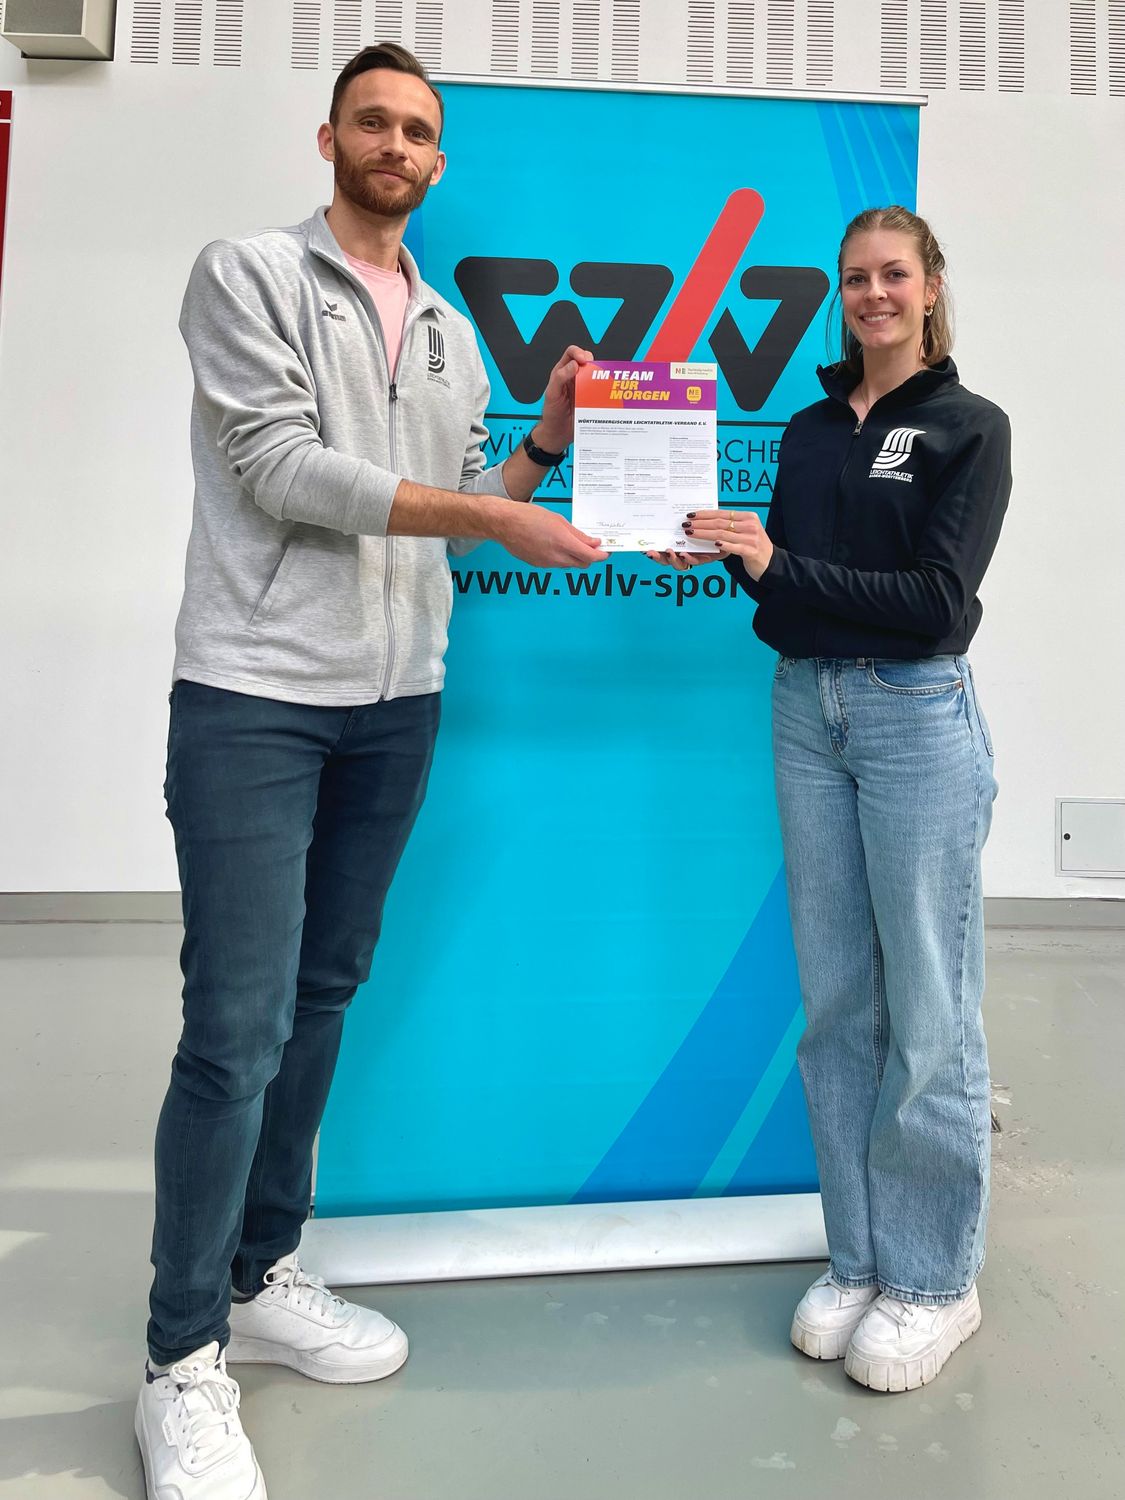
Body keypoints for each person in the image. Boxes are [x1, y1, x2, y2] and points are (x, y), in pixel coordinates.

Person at [135, 42, 606, 1500]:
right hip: (256, 697)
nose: (396, 145)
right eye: (374, 123)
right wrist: (485, 510)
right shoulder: (249, 274)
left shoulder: (452, 328)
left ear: (438, 162)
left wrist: (539, 449)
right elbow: (281, 468)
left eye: (417, 131)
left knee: (323, 994)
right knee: (235, 1027)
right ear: (329, 137)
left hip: (396, 706)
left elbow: (464, 504)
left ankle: (262, 1270)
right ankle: (180, 1358)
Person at [656, 205, 1010, 1392]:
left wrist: (779, 565)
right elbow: (788, 598)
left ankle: (936, 1279)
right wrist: (725, 552)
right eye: (856, 278)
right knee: (838, 1002)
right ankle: (860, 1256)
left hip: (914, 714)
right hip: (806, 709)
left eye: (894, 274)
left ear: (931, 285)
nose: (873, 294)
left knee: (930, 1006)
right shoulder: (810, 430)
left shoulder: (969, 428)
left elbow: (936, 604)